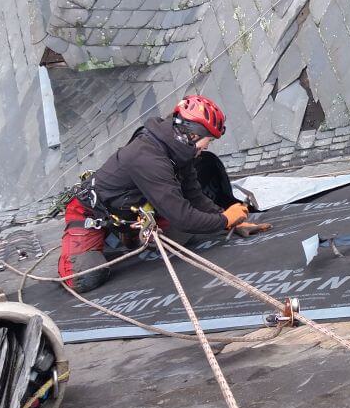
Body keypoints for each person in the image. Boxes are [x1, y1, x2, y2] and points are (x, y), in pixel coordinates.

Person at [58, 95, 258, 292]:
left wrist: (232, 220)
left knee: (185, 234)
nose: (208, 146)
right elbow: (183, 217)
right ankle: (81, 252)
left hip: (131, 208)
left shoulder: (181, 150)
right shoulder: (147, 157)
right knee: (85, 277)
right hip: (91, 214)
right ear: (193, 135)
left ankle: (127, 235)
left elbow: (194, 196)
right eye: (209, 141)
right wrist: (224, 221)